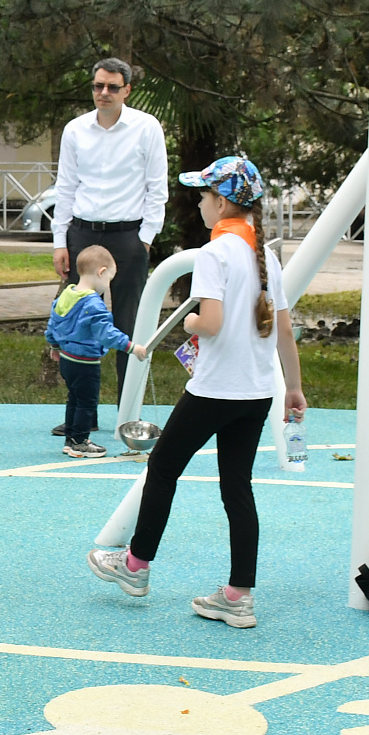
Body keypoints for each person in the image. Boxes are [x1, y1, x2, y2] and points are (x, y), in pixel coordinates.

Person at [85, 157, 304, 628]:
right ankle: (238, 595)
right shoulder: (266, 256)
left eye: (203, 196)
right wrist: (295, 387)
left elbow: (212, 322)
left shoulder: (214, 254)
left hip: (214, 390)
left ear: (220, 202)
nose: (200, 203)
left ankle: (135, 566)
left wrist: (189, 322)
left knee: (163, 468)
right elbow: (284, 329)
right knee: (237, 487)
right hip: (257, 393)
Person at [48, 56, 169, 432]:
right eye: (98, 85)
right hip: (82, 235)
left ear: (126, 90)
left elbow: (157, 188)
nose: (104, 92)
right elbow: (65, 187)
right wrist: (60, 241)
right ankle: (82, 415)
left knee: (127, 325)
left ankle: (127, 414)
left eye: (112, 87)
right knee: (77, 323)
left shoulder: (147, 128)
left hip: (129, 237)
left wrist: (145, 239)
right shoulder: (75, 130)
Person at [45, 244, 143, 459]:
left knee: (74, 398)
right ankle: (80, 441)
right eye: (109, 279)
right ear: (101, 272)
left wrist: (54, 346)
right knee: (87, 402)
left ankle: (71, 439)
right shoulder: (94, 305)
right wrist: (131, 347)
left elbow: (53, 324)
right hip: (85, 361)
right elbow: (107, 334)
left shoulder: (66, 295)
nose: (108, 285)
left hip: (66, 358)